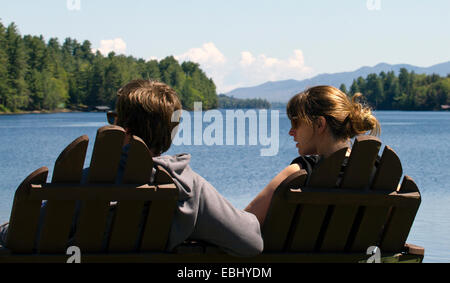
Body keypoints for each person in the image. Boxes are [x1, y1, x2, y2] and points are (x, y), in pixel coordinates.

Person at [0, 80, 263, 257]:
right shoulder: (189, 187)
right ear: (171, 133)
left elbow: (19, 237)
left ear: (121, 129)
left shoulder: (85, 184)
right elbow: (251, 243)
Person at [244, 85, 381, 226]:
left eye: (295, 122)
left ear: (320, 124)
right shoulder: (381, 171)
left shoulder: (300, 172)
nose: (291, 131)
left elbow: (246, 223)